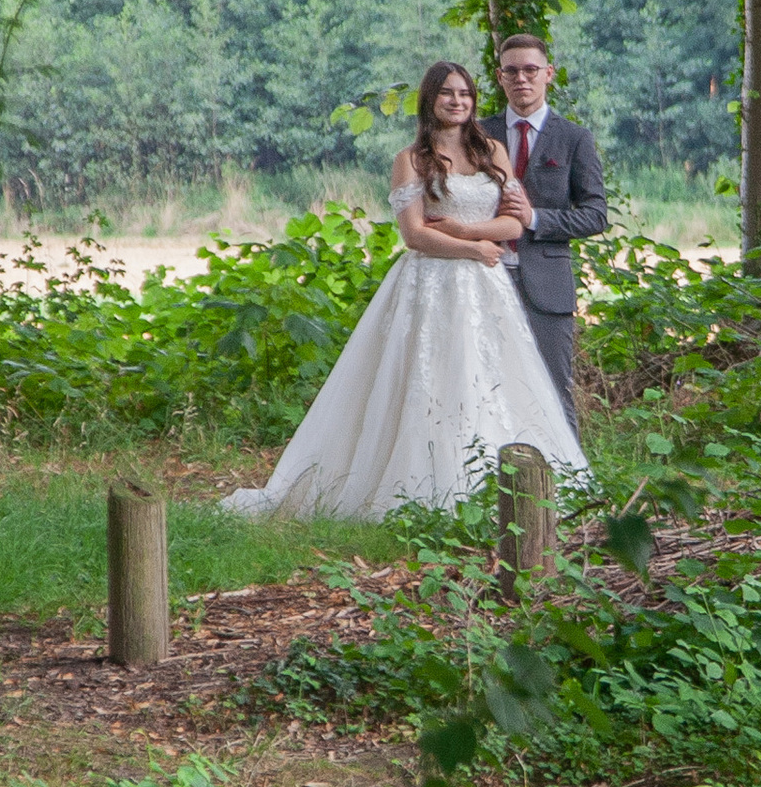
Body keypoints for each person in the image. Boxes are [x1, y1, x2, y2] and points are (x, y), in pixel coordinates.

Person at [220, 59, 588, 519]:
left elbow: (515, 219)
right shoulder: (411, 160)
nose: (457, 102)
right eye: (447, 94)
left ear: (474, 101)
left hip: (487, 288)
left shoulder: (492, 152)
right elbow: (414, 235)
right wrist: (474, 247)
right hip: (431, 283)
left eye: (465, 94)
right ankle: (420, 488)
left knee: (492, 376)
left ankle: (505, 488)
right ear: (430, 101)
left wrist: (466, 231)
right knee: (429, 378)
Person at [480, 34, 606, 427]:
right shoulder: (476, 135)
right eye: (512, 71)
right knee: (484, 384)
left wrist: (534, 218)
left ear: (548, 74)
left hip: (547, 285)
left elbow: (596, 214)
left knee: (553, 388)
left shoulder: (574, 139)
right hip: (481, 275)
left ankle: (569, 483)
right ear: (500, 77)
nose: (522, 79)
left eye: (531, 69)